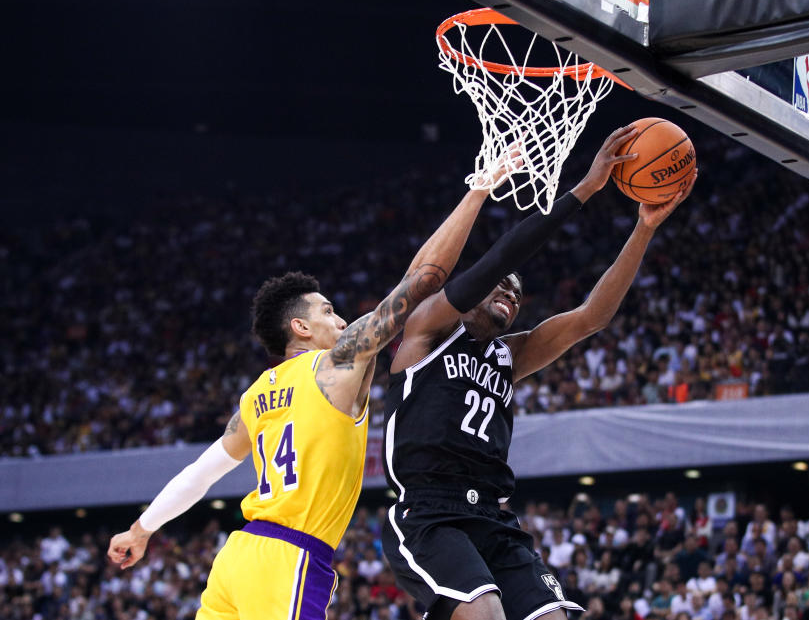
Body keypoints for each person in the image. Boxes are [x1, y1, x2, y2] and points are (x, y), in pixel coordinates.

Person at [105, 158, 520, 620]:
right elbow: (423, 280)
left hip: (236, 559)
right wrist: (479, 190)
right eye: (328, 312)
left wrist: (142, 529)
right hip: (291, 557)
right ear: (300, 327)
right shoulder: (340, 361)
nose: (341, 320)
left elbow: (202, 473)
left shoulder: (255, 397)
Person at [381, 128, 694, 620]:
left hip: (492, 515)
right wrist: (587, 187)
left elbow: (592, 317)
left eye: (518, 292)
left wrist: (645, 228)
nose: (510, 291)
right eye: (499, 286)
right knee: (484, 613)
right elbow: (500, 258)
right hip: (430, 512)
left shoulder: (511, 354)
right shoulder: (427, 332)